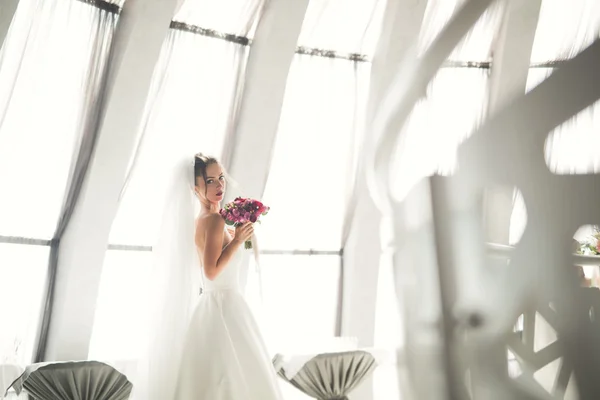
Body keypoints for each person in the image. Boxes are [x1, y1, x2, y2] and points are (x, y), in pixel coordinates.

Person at [172, 153, 283, 399]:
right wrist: (238, 241)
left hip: (215, 305)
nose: (219, 185)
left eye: (220, 178)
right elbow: (211, 272)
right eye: (210, 180)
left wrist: (235, 236)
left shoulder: (204, 219)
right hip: (224, 305)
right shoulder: (213, 220)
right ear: (195, 187)